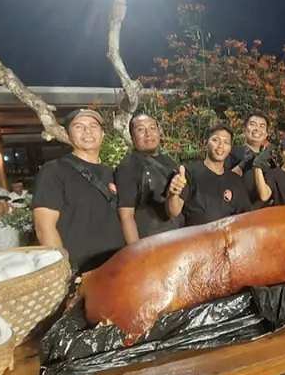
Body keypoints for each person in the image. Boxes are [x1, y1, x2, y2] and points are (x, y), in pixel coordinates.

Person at [32, 108, 124, 273]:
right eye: (79, 127)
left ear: (102, 135)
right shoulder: (54, 170)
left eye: (94, 126)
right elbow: (44, 227)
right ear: (68, 135)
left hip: (116, 264)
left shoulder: (110, 172)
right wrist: (62, 270)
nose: (88, 131)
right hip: (81, 270)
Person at [115, 113, 182, 243]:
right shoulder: (128, 166)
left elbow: (176, 209)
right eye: (141, 129)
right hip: (149, 243)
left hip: (174, 239)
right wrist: (136, 252)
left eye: (152, 128)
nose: (148, 134)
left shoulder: (169, 162)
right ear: (132, 136)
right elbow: (126, 216)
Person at [167, 124, 251, 226]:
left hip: (226, 239)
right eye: (215, 140)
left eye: (226, 142)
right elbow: (173, 212)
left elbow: (245, 217)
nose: (221, 146)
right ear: (205, 143)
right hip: (196, 238)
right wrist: (173, 195)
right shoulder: (190, 172)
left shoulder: (235, 181)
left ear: (230, 148)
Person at [226, 114, 271, 208]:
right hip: (235, 213)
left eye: (262, 126)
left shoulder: (269, 161)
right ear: (244, 129)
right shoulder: (232, 152)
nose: (257, 129)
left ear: (266, 134)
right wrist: (242, 165)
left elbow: (267, 194)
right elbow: (221, 181)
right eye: (253, 124)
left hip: (261, 215)